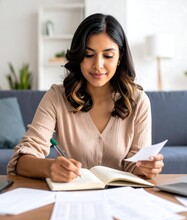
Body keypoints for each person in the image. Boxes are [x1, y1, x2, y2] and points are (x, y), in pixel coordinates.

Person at [7, 13, 164, 182]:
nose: (98, 65)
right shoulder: (56, 97)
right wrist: (50, 167)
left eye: (108, 56)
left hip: (121, 196)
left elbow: (135, 166)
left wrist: (147, 167)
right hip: (72, 197)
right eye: (89, 55)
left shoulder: (138, 101)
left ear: (119, 58)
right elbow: (21, 161)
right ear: (79, 56)